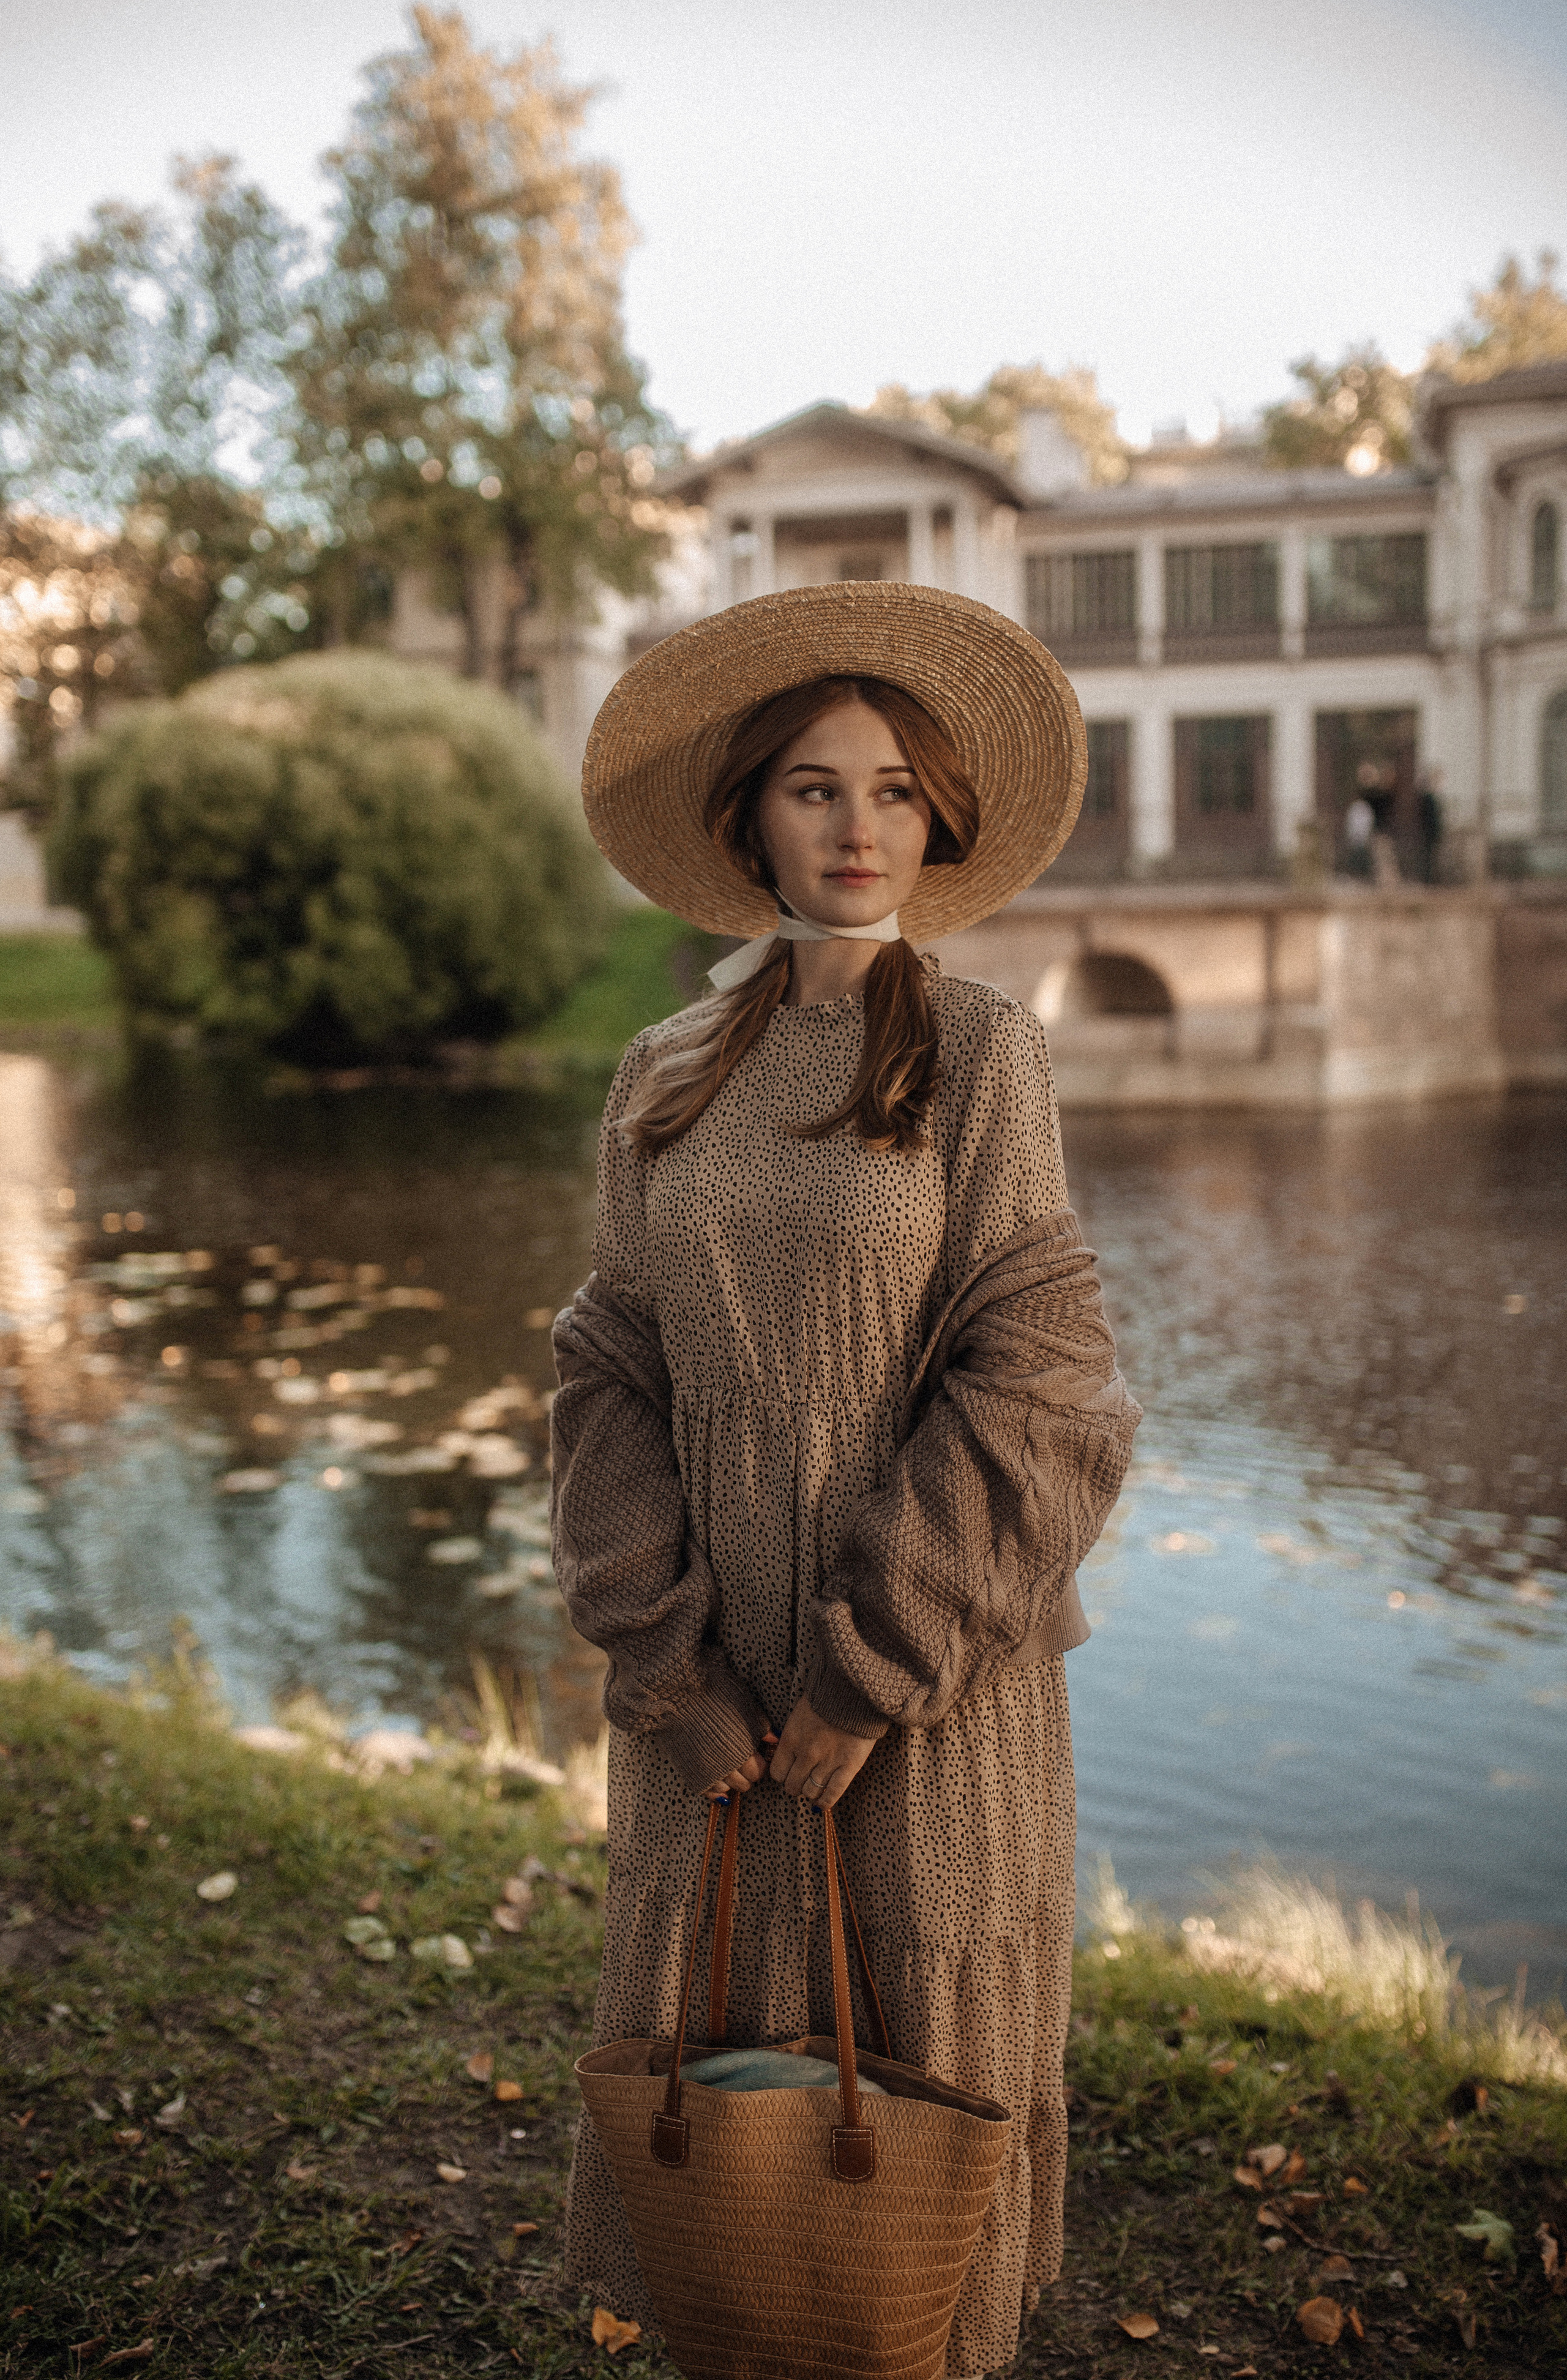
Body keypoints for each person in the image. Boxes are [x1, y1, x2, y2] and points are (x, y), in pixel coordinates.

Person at [550, 582, 1142, 2379]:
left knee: (909, 2094)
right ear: (750, 822)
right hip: (710, 1688)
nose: (859, 827)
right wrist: (673, 1666)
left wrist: (867, 1667)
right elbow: (607, 1372)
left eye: (893, 789)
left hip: (930, 1683)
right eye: (816, 788)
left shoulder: (979, 1058)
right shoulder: (660, 1077)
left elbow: (1041, 1380)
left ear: (939, 817)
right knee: (725, 2084)